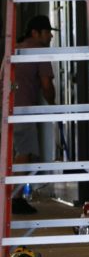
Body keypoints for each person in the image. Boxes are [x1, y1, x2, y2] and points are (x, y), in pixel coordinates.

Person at [11, 15, 56, 214]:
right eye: (47, 32)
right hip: (23, 109)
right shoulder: (39, 51)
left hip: (9, 107)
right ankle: (16, 198)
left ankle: (11, 195)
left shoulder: (14, 48)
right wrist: (53, 103)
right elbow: (46, 85)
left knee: (14, 152)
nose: (51, 36)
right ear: (35, 33)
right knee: (24, 152)